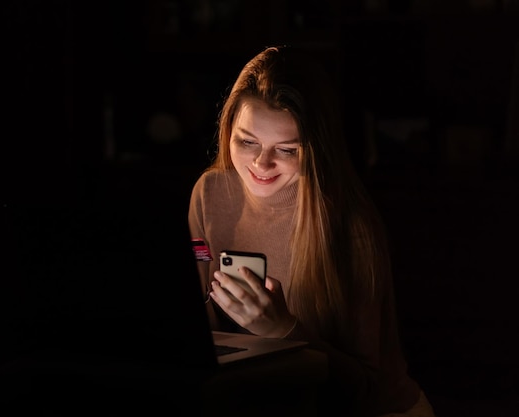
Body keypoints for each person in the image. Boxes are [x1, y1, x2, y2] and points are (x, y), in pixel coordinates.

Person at [187, 45, 436, 417]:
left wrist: (283, 329)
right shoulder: (209, 193)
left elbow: (365, 386)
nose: (260, 164)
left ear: (315, 148)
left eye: (287, 149)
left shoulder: (350, 225)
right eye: (246, 142)